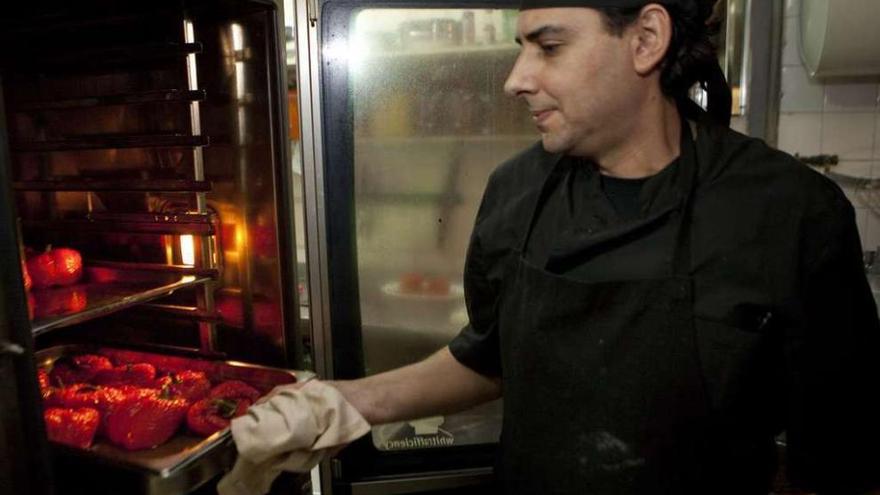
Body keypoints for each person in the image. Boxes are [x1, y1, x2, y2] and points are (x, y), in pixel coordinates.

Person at [326, 1, 880, 493]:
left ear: (645, 40)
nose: (516, 80)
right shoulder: (515, 191)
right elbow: (490, 357)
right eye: (522, 49)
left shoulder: (789, 210)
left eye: (549, 47)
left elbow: (836, 449)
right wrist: (348, 402)